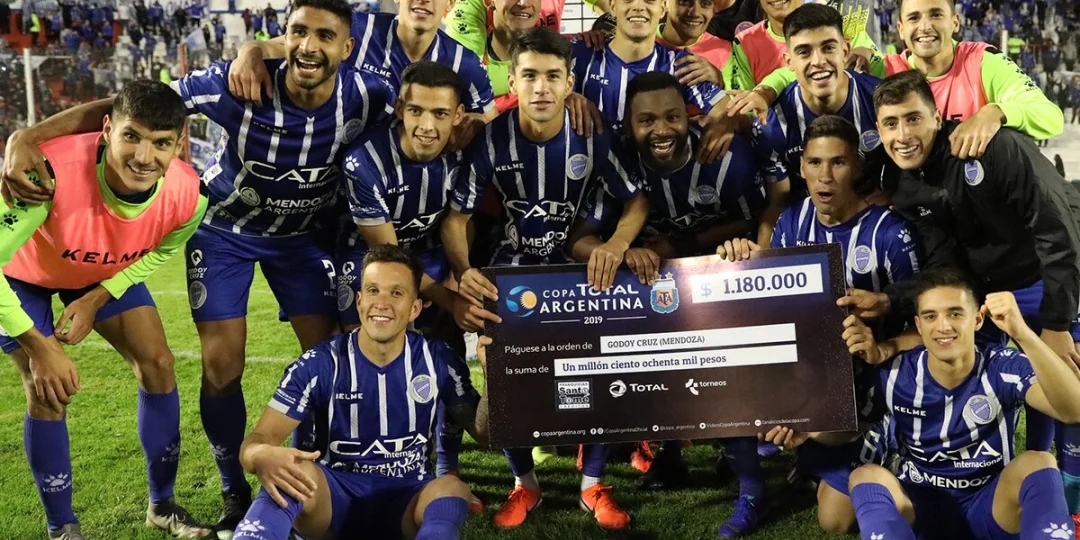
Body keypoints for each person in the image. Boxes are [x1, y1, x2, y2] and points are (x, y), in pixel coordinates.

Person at [2, 0, 398, 536]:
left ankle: (323, 476)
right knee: (220, 366)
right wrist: (27, 136)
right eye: (297, 32)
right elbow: (135, 107)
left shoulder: (371, 95)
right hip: (225, 235)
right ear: (282, 35)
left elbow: (418, 125)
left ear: (347, 47)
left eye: (324, 36)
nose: (309, 46)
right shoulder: (235, 84)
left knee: (329, 358)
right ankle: (232, 488)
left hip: (301, 239)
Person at [441, 27, 648, 530]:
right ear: (513, 81)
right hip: (513, 273)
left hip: (576, 270)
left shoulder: (592, 136)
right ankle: (525, 485)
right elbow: (456, 217)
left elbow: (636, 199)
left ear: (569, 83)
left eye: (553, 76)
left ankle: (591, 484)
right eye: (530, 76)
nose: (541, 87)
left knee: (595, 373)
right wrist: (464, 271)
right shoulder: (493, 138)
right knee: (508, 381)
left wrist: (617, 244)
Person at [861, 69, 1080, 517]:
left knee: (1069, 381)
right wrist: (894, 301)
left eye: (913, 119)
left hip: (1050, 276)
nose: (902, 135)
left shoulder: (996, 148)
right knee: (1006, 381)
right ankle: (1031, 477)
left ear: (937, 118)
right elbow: (945, 266)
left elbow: (1058, 233)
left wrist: (1057, 324)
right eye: (890, 123)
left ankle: (1071, 500)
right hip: (990, 292)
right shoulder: (902, 183)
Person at [2, 81, 209, 539]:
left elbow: (160, 252)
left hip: (98, 271)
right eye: (131, 136)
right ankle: (62, 527)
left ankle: (162, 506)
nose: (143, 157)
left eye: (161, 143)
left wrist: (98, 297)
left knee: (158, 363)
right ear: (108, 130)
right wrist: (41, 348)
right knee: (47, 387)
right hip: (21, 273)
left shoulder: (190, 195)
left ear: (179, 145)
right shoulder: (44, 172)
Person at [581, 71, 766, 537]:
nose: (661, 130)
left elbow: (756, 216)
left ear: (688, 115)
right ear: (628, 125)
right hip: (653, 280)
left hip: (719, 275)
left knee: (728, 377)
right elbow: (580, 236)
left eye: (671, 117)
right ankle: (663, 456)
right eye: (646, 120)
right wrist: (619, 250)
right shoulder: (618, 162)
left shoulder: (726, 156)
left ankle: (750, 487)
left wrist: (690, 245)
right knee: (639, 368)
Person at [232, 244, 490, 540]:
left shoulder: (437, 359)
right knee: (295, 471)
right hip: (332, 505)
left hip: (406, 501)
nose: (381, 303)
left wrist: (491, 376)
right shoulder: (319, 363)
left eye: (396, 293)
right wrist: (259, 454)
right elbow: (258, 439)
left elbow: (484, 433)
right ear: (359, 301)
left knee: (452, 487)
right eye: (373, 290)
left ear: (415, 308)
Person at [335, 61, 500, 511]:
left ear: (458, 115)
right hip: (367, 263)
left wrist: (459, 274)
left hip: (430, 258)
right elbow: (388, 260)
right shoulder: (365, 161)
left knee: (446, 361)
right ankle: (353, 468)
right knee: (368, 367)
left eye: (440, 114)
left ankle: (446, 469)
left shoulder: (465, 154)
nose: (427, 126)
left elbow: (458, 221)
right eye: (416, 111)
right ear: (399, 109)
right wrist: (448, 296)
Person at [755, 114, 920, 536]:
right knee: (833, 519)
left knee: (837, 518)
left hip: (885, 388)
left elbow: (929, 327)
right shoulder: (790, 224)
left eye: (838, 162)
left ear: (857, 166)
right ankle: (813, 457)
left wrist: (882, 344)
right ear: (801, 167)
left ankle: (898, 454)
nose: (825, 176)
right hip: (822, 386)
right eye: (814, 162)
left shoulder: (889, 233)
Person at [841, 269, 1080, 540]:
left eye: (955, 314)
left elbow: (1074, 410)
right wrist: (809, 426)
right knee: (865, 476)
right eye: (931, 316)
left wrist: (1023, 334)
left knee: (1039, 462)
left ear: (977, 319)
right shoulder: (895, 373)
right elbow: (851, 429)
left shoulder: (1001, 366)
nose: (943, 326)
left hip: (990, 505)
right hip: (923, 505)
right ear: (918, 325)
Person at [741, 0, 1064, 158]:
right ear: (900, 29)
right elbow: (812, 67)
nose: (925, 27)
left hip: (976, 186)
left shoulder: (982, 61)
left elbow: (1050, 117)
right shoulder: (886, 69)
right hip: (919, 200)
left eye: (935, 14)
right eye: (914, 17)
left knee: (1010, 142)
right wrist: (766, 90)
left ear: (955, 21)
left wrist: (994, 112)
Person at [227, 0, 498, 133]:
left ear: (449, 3)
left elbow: (489, 121)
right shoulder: (358, 28)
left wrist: (471, 124)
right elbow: (281, 46)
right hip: (338, 172)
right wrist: (250, 52)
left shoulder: (464, 63)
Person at [752, 3, 883, 245]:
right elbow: (777, 203)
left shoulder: (879, 101)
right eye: (804, 52)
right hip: (811, 230)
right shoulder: (773, 125)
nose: (818, 61)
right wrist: (763, 262)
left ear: (845, 50)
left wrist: (895, 197)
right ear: (789, 61)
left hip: (879, 220)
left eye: (828, 48)